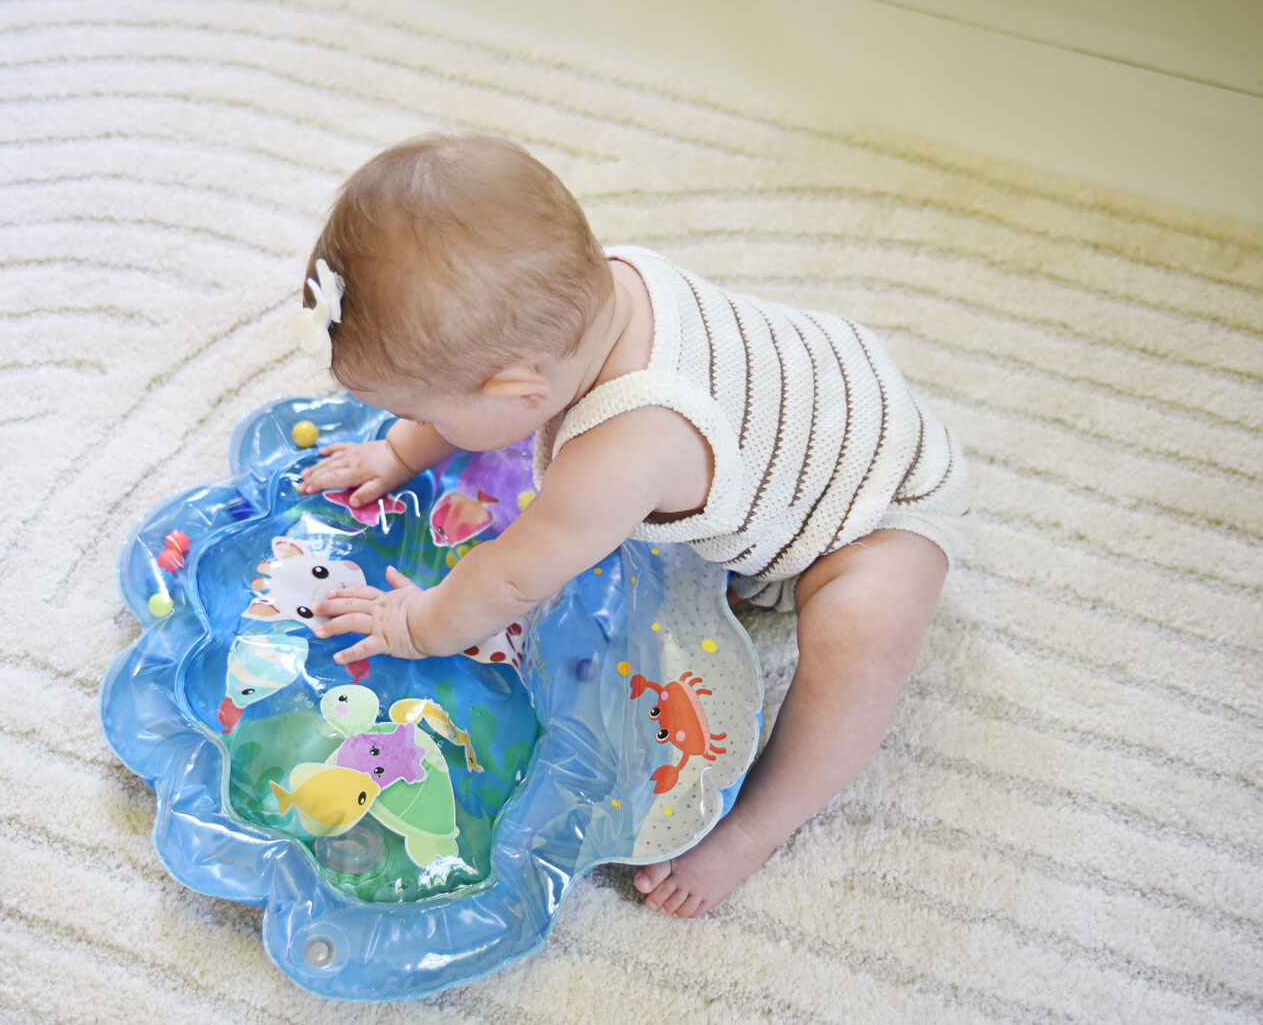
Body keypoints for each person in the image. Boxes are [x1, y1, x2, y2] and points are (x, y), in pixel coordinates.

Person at [292, 132, 969, 918]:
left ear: (520, 393)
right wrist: (401, 450)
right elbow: (478, 383)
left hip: (881, 507)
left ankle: (758, 827)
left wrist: (417, 624)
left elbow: (512, 576)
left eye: (420, 414)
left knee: (861, 643)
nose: (416, 424)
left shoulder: (622, 447)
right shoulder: (592, 294)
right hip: (817, 398)